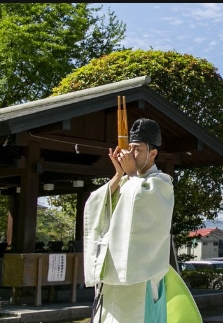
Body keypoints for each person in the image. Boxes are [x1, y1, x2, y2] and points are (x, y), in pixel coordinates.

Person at [83, 118, 202, 323]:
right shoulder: (126, 181)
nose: (130, 154)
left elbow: (139, 205)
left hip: (142, 277)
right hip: (112, 277)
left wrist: (129, 175)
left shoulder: (160, 184)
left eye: (137, 149)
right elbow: (96, 204)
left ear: (153, 153)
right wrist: (120, 175)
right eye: (129, 148)